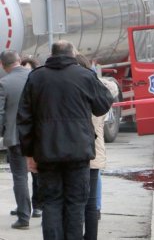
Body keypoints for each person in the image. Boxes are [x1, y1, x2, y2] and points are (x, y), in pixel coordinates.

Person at [17, 40, 114, 239]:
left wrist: (28, 153)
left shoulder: (36, 77)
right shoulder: (85, 76)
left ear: (51, 55)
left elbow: (24, 119)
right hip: (78, 153)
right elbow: (102, 105)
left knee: (51, 203)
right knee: (76, 204)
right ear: (72, 55)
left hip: (46, 153)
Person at [75, 53, 118, 240]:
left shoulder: (76, 91)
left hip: (78, 153)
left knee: (77, 201)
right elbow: (112, 87)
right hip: (95, 151)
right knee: (91, 203)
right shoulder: (98, 90)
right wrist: (94, 77)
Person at [0, 50, 32, 229]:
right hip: (41, 136)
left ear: (2, 65)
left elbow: (0, 113)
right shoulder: (36, 77)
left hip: (16, 137)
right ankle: (39, 208)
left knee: (20, 177)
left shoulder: (4, 83)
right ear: (19, 61)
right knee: (42, 173)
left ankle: (24, 217)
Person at [10, 56, 43, 220]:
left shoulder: (36, 84)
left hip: (27, 136)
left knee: (29, 175)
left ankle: (32, 209)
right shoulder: (34, 82)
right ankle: (29, 207)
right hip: (27, 135)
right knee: (28, 174)